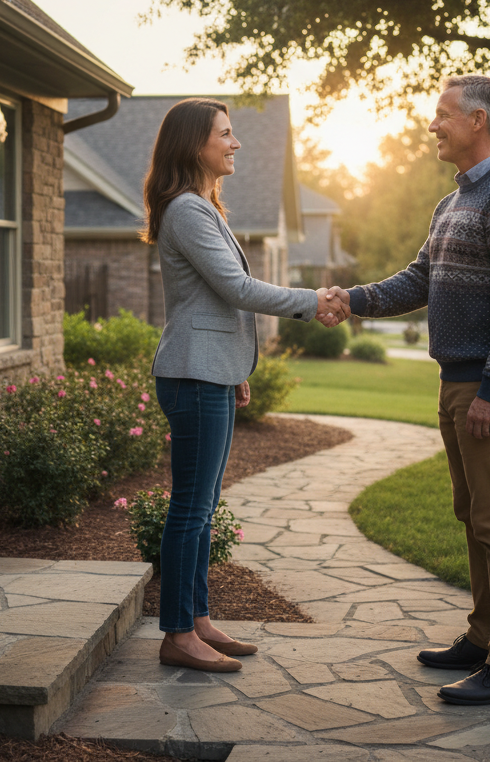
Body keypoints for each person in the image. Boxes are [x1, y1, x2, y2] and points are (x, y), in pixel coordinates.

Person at [329, 75, 490, 705]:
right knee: (473, 515)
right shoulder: (453, 203)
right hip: (459, 381)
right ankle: (483, 637)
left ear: (478, 120)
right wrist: (353, 299)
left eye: (443, 115)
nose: (433, 125)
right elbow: (419, 278)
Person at [142, 97, 348, 673]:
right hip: (192, 375)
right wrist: (314, 301)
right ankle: (177, 635)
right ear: (195, 145)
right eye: (225, 135)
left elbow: (215, 299)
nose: (235, 145)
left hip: (210, 374)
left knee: (203, 508)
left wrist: (234, 370)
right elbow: (238, 289)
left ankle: (198, 620)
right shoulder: (187, 210)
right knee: (190, 508)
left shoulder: (203, 207)